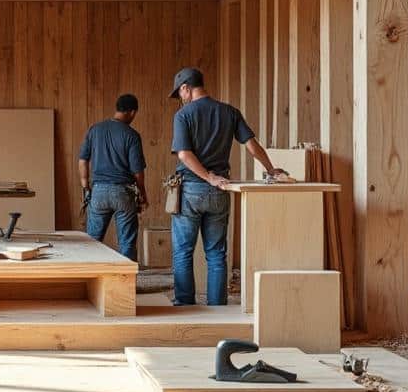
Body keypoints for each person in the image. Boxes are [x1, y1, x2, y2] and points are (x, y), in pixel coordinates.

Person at [168, 67, 286, 306]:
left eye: (180, 93)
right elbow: (252, 146)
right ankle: (217, 308)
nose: (181, 99)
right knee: (216, 254)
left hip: (191, 189)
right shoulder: (229, 112)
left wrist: (207, 176)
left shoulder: (184, 115)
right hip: (221, 189)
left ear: (185, 88)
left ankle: (184, 306)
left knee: (183, 252)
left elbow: (183, 155)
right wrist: (271, 169)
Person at [79, 93, 147, 261]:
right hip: (123, 192)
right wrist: (143, 194)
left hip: (99, 191)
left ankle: (90, 280)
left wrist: (85, 186)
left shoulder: (95, 129)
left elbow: (82, 160)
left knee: (92, 241)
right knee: (127, 242)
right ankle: (127, 284)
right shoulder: (131, 135)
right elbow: (137, 171)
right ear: (132, 112)